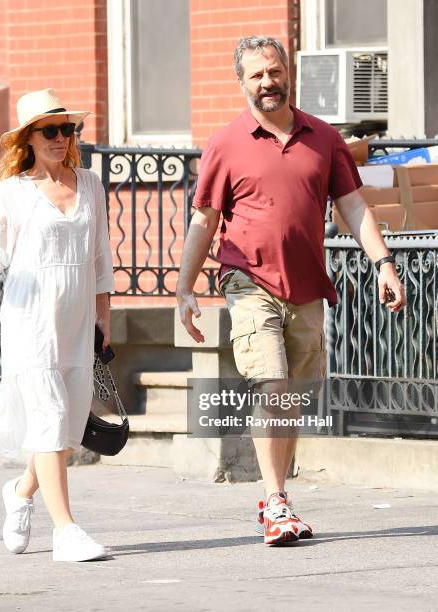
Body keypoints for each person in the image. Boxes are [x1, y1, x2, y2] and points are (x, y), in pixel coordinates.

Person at [176, 36, 407, 546]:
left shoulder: (323, 138)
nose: (267, 82)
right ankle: (276, 499)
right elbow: (204, 220)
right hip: (248, 280)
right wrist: (184, 287)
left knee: (294, 397)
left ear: (288, 74)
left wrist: (384, 264)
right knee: (272, 386)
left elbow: (353, 208)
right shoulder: (226, 143)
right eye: (256, 75)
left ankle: (275, 500)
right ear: (241, 82)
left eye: (274, 71)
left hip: (305, 286)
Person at [0, 88, 115, 562]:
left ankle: (19, 493)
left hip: (77, 318)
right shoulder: (11, 192)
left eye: (68, 129)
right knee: (51, 418)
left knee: (67, 421)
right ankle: (66, 531)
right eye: (51, 131)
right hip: (30, 320)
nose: (62, 138)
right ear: (29, 139)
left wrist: (104, 312)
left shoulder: (91, 185)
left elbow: (100, 253)